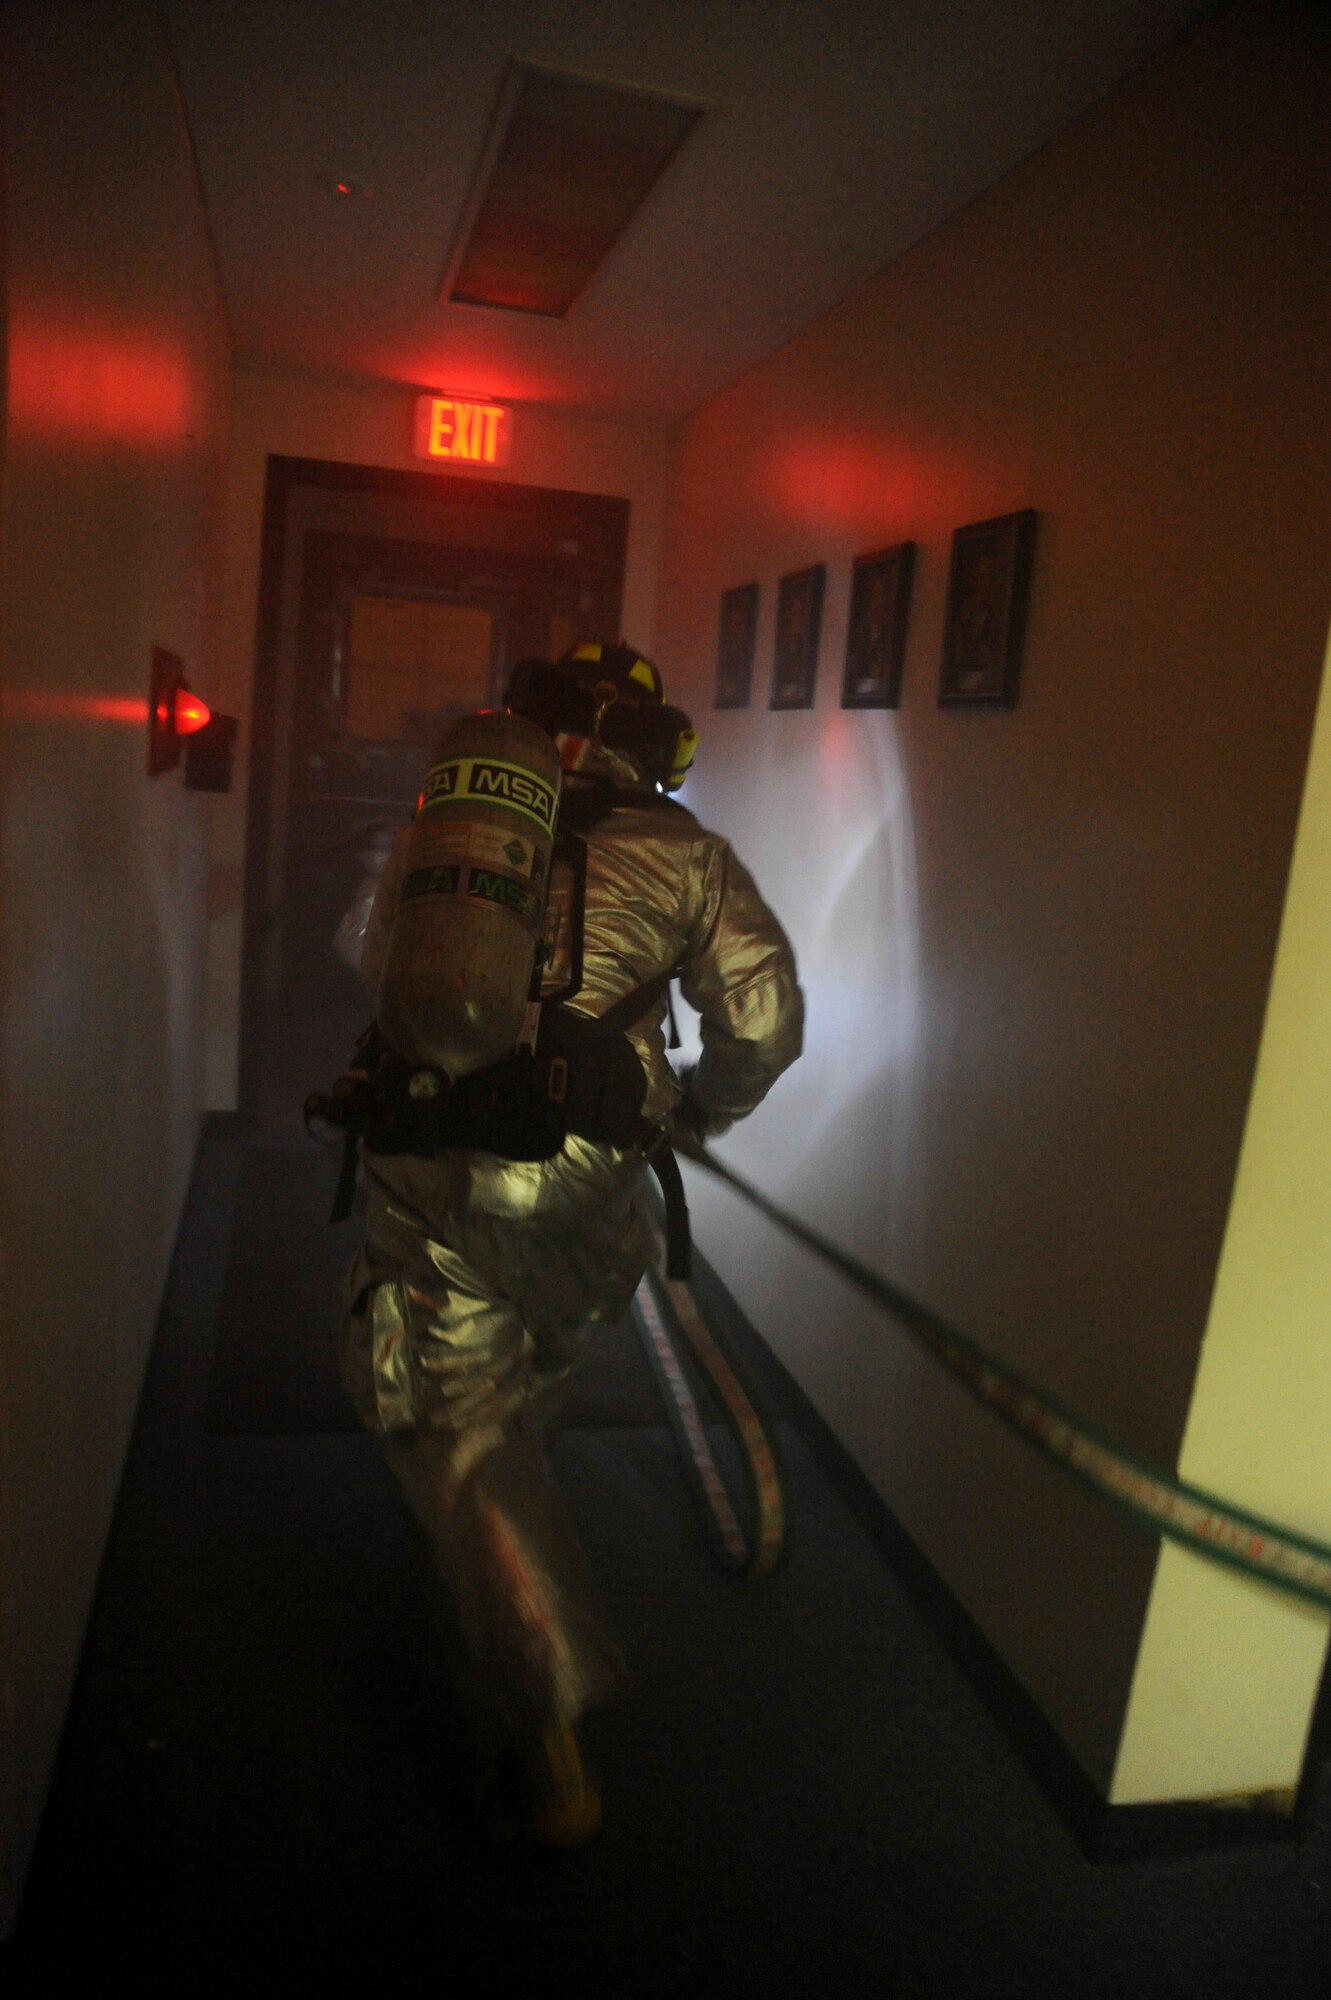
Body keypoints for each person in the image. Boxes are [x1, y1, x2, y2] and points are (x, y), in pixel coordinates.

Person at [335, 641, 804, 1846]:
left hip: (436, 1167)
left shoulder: (450, 835)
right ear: (655, 746)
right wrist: (696, 1111)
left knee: (460, 1423)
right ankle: (496, 1527)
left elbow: (365, 951)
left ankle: (544, 1729)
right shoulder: (689, 855)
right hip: (591, 1187)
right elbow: (762, 1020)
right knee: (530, 1374)